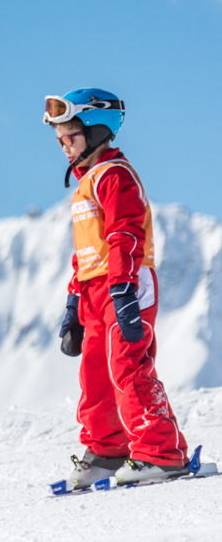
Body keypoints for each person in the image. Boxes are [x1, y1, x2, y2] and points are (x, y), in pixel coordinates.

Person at [47, 90, 191, 487]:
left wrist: (124, 290)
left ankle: (162, 452)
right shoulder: (87, 181)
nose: (64, 146)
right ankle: (108, 449)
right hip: (95, 291)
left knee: (128, 367)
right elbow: (85, 250)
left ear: (96, 131)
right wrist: (74, 302)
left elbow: (125, 233)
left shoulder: (115, 175)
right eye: (59, 139)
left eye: (70, 136)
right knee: (95, 373)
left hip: (124, 284)